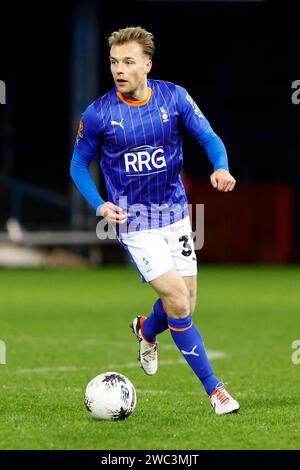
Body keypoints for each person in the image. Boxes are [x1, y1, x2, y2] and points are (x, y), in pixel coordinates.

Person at [70, 26, 239, 415]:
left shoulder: (173, 97)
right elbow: (79, 165)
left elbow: (209, 137)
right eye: (114, 62)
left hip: (177, 216)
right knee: (177, 299)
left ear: (147, 64)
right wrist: (99, 203)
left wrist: (221, 167)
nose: (119, 69)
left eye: (128, 61)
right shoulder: (98, 115)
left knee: (186, 304)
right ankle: (216, 391)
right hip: (135, 222)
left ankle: (146, 330)